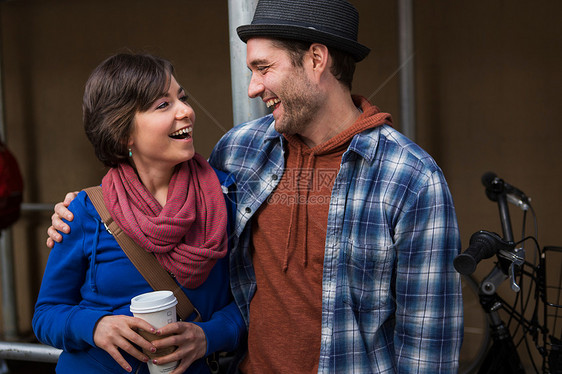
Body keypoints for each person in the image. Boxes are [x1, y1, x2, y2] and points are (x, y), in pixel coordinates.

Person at [47, 0, 463, 372]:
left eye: (264, 68)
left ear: (316, 59)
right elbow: (171, 198)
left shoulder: (410, 178)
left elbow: (429, 348)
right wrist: (86, 209)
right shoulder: (240, 150)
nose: (252, 88)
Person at [35, 53, 245, 374]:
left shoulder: (226, 197)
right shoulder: (86, 210)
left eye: (182, 98)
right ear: (124, 134)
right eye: (164, 105)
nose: (186, 111)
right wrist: (94, 325)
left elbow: (260, 302)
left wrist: (209, 336)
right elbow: (46, 314)